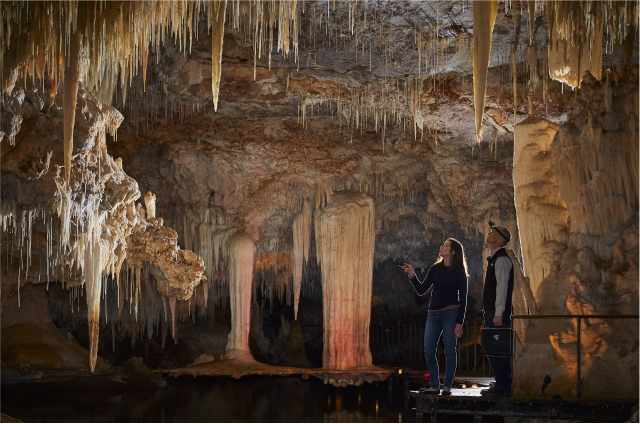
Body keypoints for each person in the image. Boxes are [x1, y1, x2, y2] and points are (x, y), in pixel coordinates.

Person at [400, 239, 469, 395]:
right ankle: (435, 385)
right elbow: (421, 290)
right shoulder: (435, 269)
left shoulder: (459, 272)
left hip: (451, 313)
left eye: (445, 245)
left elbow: (463, 298)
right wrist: (412, 275)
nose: (441, 246)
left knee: (450, 350)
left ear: (452, 252)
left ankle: (447, 386)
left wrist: (460, 322)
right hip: (433, 313)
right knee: (429, 350)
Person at [480, 223, 514, 398]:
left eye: (493, 231)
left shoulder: (501, 259)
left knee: (498, 349)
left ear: (500, 239)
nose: (489, 232)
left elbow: (502, 288)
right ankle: (501, 384)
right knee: (493, 348)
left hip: (497, 312)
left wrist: (499, 313)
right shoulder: (494, 258)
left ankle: (504, 386)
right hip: (493, 311)